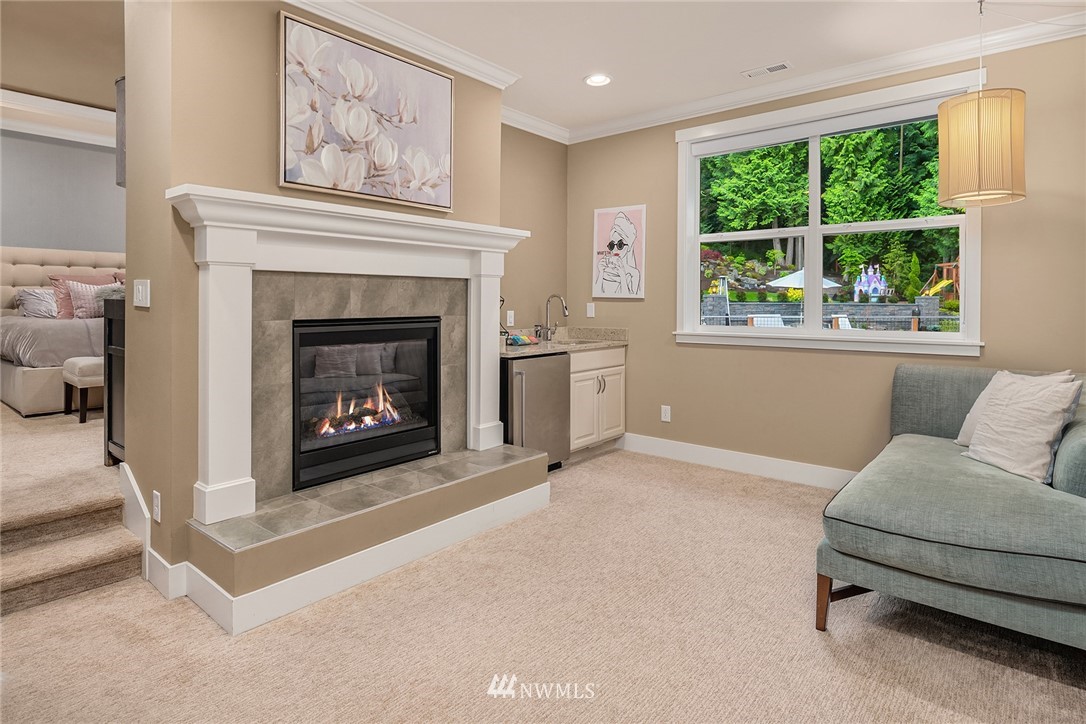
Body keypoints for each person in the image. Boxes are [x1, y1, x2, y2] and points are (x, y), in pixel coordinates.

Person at [594, 212, 642, 296]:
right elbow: (597, 293)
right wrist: (601, 272)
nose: (615, 249)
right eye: (612, 245)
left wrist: (622, 275)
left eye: (620, 245)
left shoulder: (633, 274)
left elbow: (628, 300)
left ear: (629, 247)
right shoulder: (606, 270)